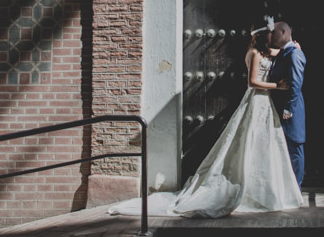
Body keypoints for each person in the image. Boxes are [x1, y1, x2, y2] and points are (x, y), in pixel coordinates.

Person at [107, 18, 303, 218]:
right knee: (251, 140)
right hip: (256, 100)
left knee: (264, 144)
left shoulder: (265, 52)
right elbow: (252, 82)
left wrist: (294, 46)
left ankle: (266, 190)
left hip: (265, 104)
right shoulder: (254, 53)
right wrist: (277, 86)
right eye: (271, 32)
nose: (273, 36)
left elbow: (284, 51)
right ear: (264, 35)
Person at [267, 21, 307, 188]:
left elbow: (296, 83)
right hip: (279, 107)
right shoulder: (287, 52)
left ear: (283, 32)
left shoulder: (294, 54)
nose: (271, 37)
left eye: (274, 33)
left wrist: (289, 108)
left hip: (289, 109)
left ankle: (295, 188)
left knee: (294, 148)